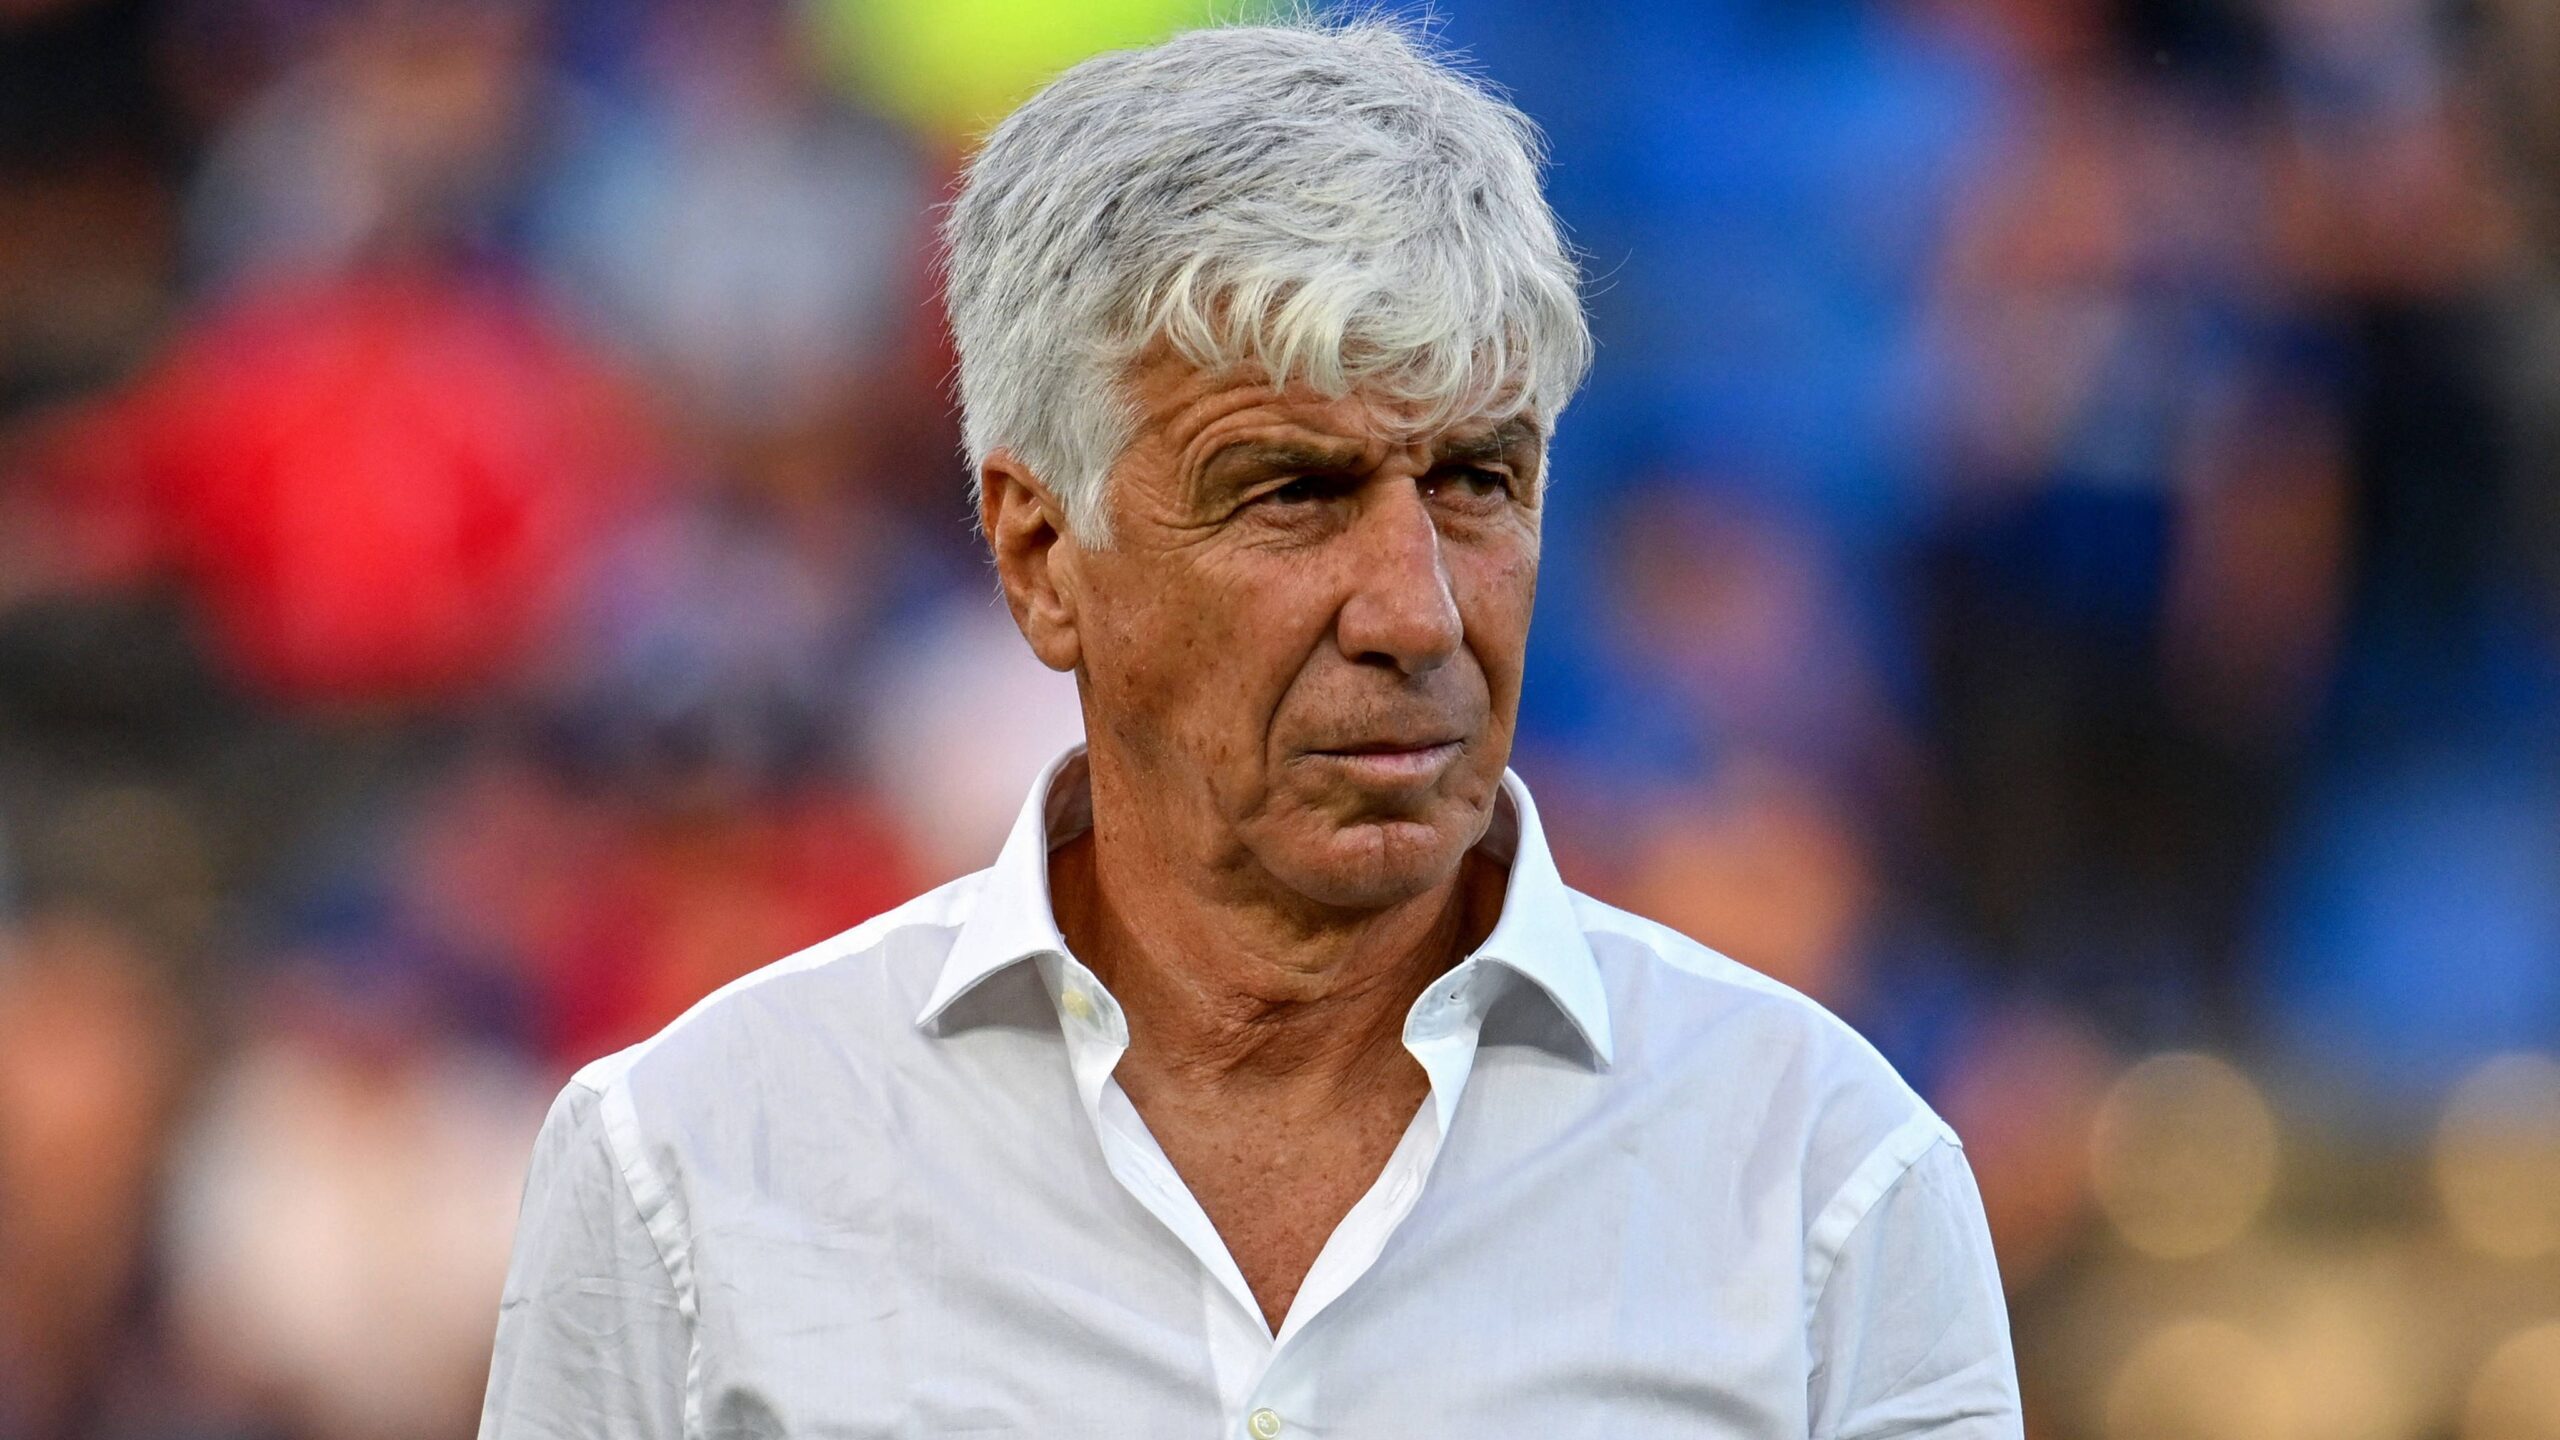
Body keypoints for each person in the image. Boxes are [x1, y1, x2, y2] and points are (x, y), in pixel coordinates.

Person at [477, 19, 2022, 1437]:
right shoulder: (690, 1166)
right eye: (1292, 491)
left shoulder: (1828, 1178)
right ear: (1040, 556)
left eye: (1478, 482)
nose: (1417, 612)